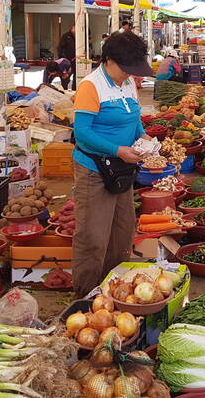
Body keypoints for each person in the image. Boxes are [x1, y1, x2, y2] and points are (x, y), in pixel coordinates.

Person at [72, 31, 153, 297]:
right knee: (93, 238)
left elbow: (133, 117)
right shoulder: (91, 86)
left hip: (121, 169)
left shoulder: (128, 83)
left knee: (122, 233)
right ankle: (86, 297)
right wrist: (117, 149)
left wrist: (142, 136)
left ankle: (114, 290)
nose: (130, 74)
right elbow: (82, 132)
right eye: (125, 68)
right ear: (108, 60)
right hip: (95, 170)